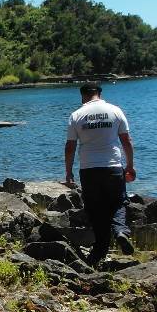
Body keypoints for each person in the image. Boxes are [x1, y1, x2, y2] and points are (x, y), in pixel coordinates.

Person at [64, 82, 135, 266]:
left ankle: (98, 254)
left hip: (88, 169)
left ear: (83, 96)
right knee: (118, 202)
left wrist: (68, 172)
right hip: (112, 166)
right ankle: (120, 231)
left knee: (96, 211)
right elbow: (126, 141)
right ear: (100, 94)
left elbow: (70, 147)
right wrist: (130, 166)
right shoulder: (115, 111)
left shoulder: (76, 115)